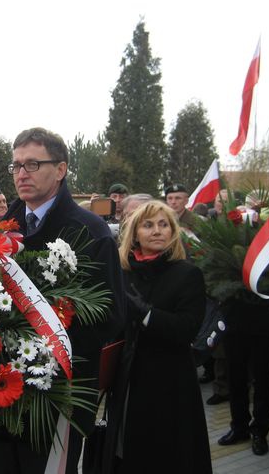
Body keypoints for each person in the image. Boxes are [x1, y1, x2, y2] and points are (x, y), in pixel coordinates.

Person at [0, 127, 125, 473]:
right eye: (16, 165)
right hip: (4, 388)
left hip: (58, 394)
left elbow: (110, 314)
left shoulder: (89, 231)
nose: (22, 173)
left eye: (33, 164)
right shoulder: (3, 229)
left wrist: (44, 345)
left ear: (61, 169)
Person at [104, 200, 211, 474]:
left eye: (164, 225)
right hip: (129, 378)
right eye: (148, 225)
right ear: (135, 233)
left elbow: (187, 329)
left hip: (170, 382)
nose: (157, 231)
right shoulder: (123, 272)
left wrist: (147, 314)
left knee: (167, 456)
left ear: (173, 231)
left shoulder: (188, 274)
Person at [217, 296, 269, 455]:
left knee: (263, 378)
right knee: (235, 377)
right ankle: (239, 427)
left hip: (263, 316)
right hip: (234, 316)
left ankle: (260, 431)